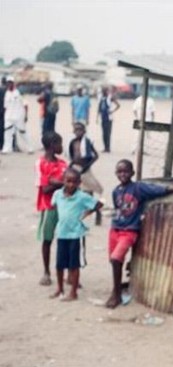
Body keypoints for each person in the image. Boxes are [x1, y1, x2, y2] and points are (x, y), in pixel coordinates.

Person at [105, 159, 173, 308]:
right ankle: (115, 289)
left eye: (126, 171)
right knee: (114, 260)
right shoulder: (116, 191)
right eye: (119, 171)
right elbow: (118, 210)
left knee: (116, 259)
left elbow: (155, 189)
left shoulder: (138, 188)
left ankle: (116, 295)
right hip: (115, 229)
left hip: (129, 231)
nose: (122, 174)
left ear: (132, 173)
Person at [50, 168, 103, 301]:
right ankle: (60, 289)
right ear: (63, 181)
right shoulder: (57, 194)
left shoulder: (82, 197)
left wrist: (87, 213)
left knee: (74, 265)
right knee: (59, 264)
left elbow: (99, 204)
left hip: (76, 235)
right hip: (62, 233)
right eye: (68, 181)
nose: (71, 185)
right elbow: (55, 206)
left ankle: (73, 292)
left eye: (74, 182)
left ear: (79, 183)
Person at [36, 131, 68, 285]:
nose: (61, 147)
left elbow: (70, 185)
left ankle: (68, 271)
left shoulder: (62, 164)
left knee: (67, 238)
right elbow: (45, 189)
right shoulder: (41, 163)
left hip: (64, 206)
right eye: (59, 144)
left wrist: (54, 182)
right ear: (51, 145)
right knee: (47, 239)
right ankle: (46, 271)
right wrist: (61, 184)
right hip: (48, 206)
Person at [68, 121, 104, 225]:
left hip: (85, 170)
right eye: (76, 130)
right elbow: (72, 156)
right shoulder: (73, 142)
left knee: (89, 192)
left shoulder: (87, 142)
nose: (78, 132)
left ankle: (97, 213)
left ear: (84, 131)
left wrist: (87, 166)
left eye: (80, 130)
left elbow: (95, 156)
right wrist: (71, 166)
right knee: (76, 192)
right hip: (76, 169)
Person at [2, 77, 33, 154]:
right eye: (8, 83)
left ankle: (30, 147)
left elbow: (25, 105)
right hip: (9, 117)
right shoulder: (7, 93)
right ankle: (6, 149)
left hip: (19, 116)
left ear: (13, 83)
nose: (9, 84)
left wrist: (26, 116)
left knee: (23, 132)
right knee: (7, 133)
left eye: (10, 82)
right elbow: (5, 106)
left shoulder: (19, 92)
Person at [97, 86, 120, 153]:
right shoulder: (101, 98)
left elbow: (118, 105)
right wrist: (97, 117)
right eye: (103, 91)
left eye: (105, 91)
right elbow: (99, 108)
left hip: (109, 118)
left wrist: (112, 111)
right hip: (103, 118)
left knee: (108, 133)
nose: (104, 92)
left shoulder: (110, 98)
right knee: (104, 133)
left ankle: (108, 147)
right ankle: (105, 147)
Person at [0, 77, 7, 152]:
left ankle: (1, 145)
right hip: (8, 112)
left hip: (1, 112)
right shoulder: (8, 90)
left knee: (1, 129)